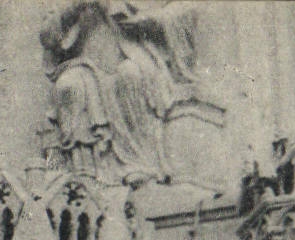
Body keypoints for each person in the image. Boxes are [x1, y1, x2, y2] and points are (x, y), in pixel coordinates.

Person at [41, 0, 196, 182]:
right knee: (68, 85)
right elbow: (48, 36)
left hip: (130, 54)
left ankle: (140, 163)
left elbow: (184, 10)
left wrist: (143, 19)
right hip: (84, 61)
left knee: (129, 75)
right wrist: (75, 7)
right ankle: (83, 172)